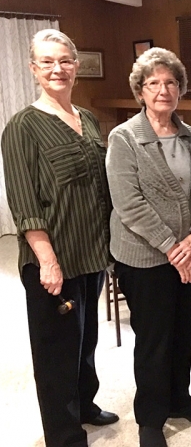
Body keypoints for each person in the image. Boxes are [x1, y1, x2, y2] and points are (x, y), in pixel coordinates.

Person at [1, 29, 118, 447]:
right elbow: (24, 202)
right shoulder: (21, 127)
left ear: (76, 66)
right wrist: (47, 260)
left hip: (91, 254)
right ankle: (64, 434)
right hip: (53, 260)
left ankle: (85, 406)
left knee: (86, 341)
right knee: (55, 353)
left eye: (65, 60)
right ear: (33, 69)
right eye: (47, 61)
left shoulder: (86, 118)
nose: (58, 68)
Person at [106, 47, 191, 447]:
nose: (162, 89)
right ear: (140, 90)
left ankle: (179, 398)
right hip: (145, 258)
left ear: (180, 88)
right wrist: (175, 248)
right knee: (154, 338)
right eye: (153, 83)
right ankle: (150, 418)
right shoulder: (124, 138)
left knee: (182, 331)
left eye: (170, 82)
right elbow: (129, 203)